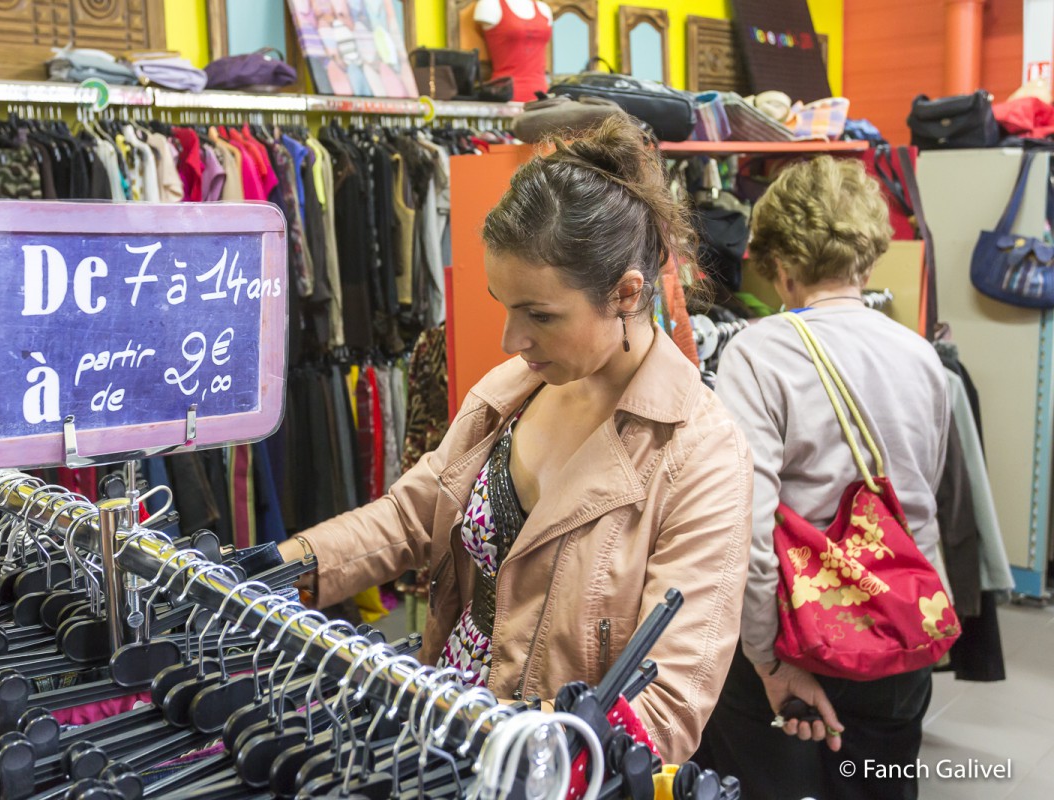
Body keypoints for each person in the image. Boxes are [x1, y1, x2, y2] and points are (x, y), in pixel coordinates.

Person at [278, 117, 753, 763]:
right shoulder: (512, 391)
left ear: (625, 293)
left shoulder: (699, 454)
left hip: (556, 767)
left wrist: (531, 754)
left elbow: (670, 696)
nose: (510, 339)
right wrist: (282, 571)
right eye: (504, 304)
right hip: (447, 736)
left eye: (540, 315)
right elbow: (411, 515)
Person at [695, 157, 950, 800]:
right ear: (868, 257)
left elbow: (746, 531)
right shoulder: (921, 356)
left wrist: (766, 661)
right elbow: (919, 506)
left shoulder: (758, 354)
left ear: (780, 261)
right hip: (897, 633)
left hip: (796, 637)